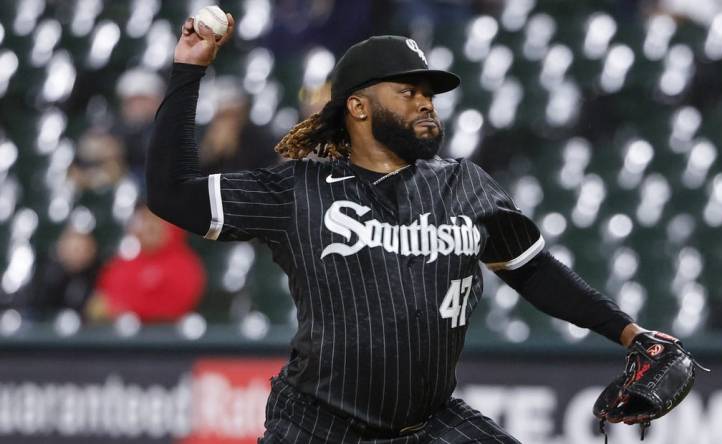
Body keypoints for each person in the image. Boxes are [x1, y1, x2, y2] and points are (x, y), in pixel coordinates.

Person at [147, 14, 660, 443]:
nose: (425, 102)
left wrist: (631, 333)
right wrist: (189, 71)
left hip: (428, 425)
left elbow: (535, 272)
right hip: (320, 426)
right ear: (358, 106)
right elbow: (172, 194)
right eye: (407, 90)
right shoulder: (299, 190)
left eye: (429, 93)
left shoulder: (465, 185)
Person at [86, 204, 205, 323]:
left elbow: (173, 308)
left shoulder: (186, 264)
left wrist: (124, 309)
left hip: (169, 337)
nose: (150, 226)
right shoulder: (122, 262)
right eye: (144, 219)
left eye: (158, 220)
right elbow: (102, 302)